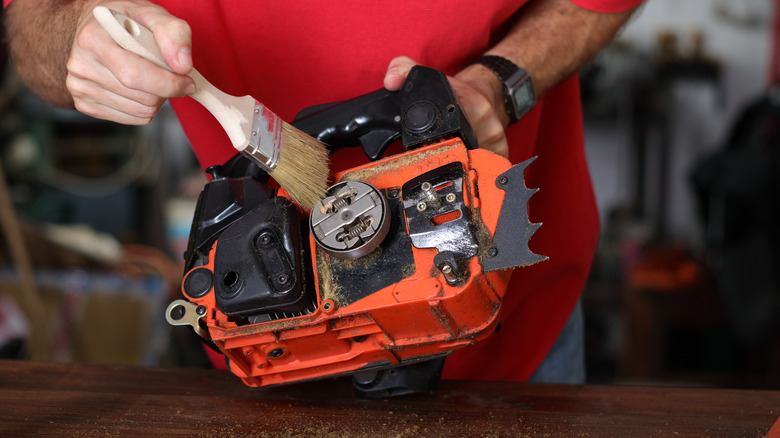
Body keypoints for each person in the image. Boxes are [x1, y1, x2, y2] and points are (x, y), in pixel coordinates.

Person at [4, 0, 641, 383]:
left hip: (514, 320)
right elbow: (36, 22)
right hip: (274, 339)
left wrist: (500, 85)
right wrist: (74, 37)